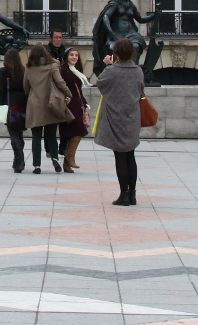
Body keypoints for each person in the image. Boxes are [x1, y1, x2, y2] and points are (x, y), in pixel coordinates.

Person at [94, 38, 146, 206]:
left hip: (116, 117)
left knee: (120, 155)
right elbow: (140, 89)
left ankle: (123, 194)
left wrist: (108, 65)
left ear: (115, 53)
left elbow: (100, 84)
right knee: (130, 154)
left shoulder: (112, 71)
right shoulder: (138, 70)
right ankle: (132, 194)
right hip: (132, 116)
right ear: (133, 52)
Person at [24, 44, 72, 174]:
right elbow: (60, 82)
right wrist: (68, 93)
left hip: (35, 104)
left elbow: (26, 87)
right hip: (51, 103)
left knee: (36, 135)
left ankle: (37, 166)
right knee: (51, 135)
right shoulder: (53, 66)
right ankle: (55, 159)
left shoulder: (29, 68)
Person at [59, 47, 92, 173]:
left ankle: (67, 163)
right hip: (68, 105)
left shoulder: (77, 71)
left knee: (77, 131)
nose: (74, 57)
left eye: (76, 55)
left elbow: (79, 90)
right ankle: (69, 158)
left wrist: (85, 103)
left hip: (77, 105)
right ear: (67, 56)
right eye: (72, 55)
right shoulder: (62, 70)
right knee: (78, 130)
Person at [0, 49, 28, 173]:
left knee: (13, 134)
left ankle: (20, 160)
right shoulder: (23, 71)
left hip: (9, 104)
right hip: (22, 105)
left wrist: (1, 104)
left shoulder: (3, 71)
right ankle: (16, 160)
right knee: (19, 133)